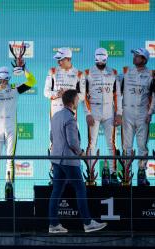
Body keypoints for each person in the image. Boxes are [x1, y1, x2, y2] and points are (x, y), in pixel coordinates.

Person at [49, 89, 107, 233]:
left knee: (56, 191)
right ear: (73, 101)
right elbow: (73, 142)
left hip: (56, 160)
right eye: (77, 99)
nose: (78, 101)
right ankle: (88, 223)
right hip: (69, 161)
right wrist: (81, 153)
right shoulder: (70, 118)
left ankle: (53, 225)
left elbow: (52, 137)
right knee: (80, 189)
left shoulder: (55, 116)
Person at [0, 65, 37, 201]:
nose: (4, 83)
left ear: (9, 78)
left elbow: (32, 82)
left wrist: (24, 69)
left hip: (11, 129)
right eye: (1, 80)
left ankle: (9, 188)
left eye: (5, 80)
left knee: (10, 160)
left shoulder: (15, 89)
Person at [44, 47, 85, 182]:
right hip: (55, 112)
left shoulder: (79, 74)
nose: (58, 63)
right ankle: (54, 173)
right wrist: (57, 94)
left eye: (60, 60)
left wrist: (68, 94)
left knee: (73, 141)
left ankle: (74, 171)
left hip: (71, 113)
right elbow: (46, 92)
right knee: (53, 142)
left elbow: (83, 95)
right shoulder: (52, 71)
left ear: (68, 59)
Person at [84, 48, 122, 185]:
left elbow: (117, 95)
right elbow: (84, 95)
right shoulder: (88, 73)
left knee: (111, 143)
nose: (100, 64)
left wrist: (119, 113)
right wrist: (88, 113)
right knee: (91, 143)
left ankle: (113, 174)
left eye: (103, 61)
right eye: (98, 61)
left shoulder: (113, 72)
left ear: (106, 59)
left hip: (109, 110)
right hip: (94, 109)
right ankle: (91, 174)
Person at [121, 48, 155, 186]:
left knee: (142, 146)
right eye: (134, 55)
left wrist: (150, 112)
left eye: (137, 56)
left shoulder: (152, 75)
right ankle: (126, 174)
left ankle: (141, 173)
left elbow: (154, 96)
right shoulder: (126, 72)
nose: (134, 58)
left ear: (144, 59)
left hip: (142, 113)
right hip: (127, 112)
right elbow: (116, 90)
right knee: (126, 145)